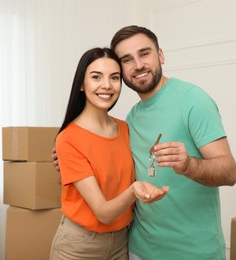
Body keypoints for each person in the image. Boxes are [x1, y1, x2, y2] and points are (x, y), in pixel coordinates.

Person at [53, 26, 236, 260]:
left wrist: (189, 165)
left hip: (193, 252)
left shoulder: (193, 100)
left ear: (160, 55)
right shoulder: (131, 119)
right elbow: (108, 160)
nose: (138, 65)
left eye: (144, 53)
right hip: (138, 248)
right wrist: (67, 152)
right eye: (127, 59)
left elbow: (230, 173)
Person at [49, 47, 169, 260]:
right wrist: (135, 191)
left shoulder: (124, 129)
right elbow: (103, 212)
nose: (107, 85)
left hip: (121, 241)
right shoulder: (68, 139)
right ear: (81, 84)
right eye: (96, 77)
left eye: (114, 77)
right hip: (80, 246)